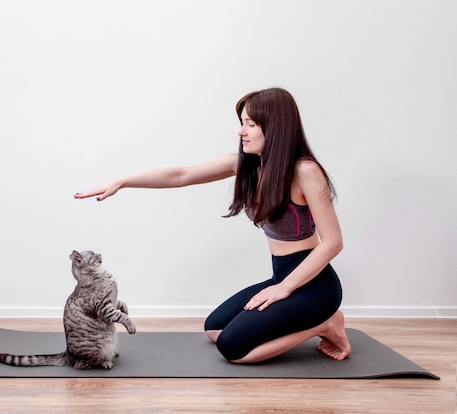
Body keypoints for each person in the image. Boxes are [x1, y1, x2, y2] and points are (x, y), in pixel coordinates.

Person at [74, 87, 351, 363]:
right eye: (242, 123)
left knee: (234, 350)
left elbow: (332, 242)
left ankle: (325, 324)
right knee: (214, 328)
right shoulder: (246, 166)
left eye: (250, 124)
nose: (241, 131)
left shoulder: (305, 172)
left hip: (315, 285)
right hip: (281, 277)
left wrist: (284, 288)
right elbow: (182, 175)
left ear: (275, 127)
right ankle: (311, 320)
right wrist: (121, 182)